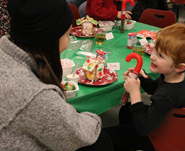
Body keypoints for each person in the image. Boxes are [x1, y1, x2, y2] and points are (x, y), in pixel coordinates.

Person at [0, 0, 113, 150]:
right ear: (49, 40)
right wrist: (93, 118)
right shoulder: (36, 95)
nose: (67, 42)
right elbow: (80, 134)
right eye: (67, 35)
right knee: (102, 142)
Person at [103, 23, 185, 151]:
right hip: (176, 125)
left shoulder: (166, 95)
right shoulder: (182, 75)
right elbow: (157, 89)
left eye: (160, 55)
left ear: (179, 67)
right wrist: (142, 79)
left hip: (162, 136)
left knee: (105, 137)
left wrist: (135, 93)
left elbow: (144, 129)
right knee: (126, 111)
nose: (152, 57)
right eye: (155, 50)